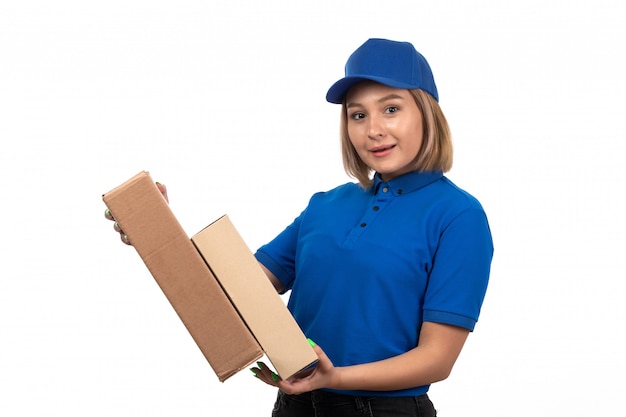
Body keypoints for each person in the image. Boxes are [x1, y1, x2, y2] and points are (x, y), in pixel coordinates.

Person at [105, 38, 493, 417]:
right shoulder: (325, 205)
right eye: (358, 115)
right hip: (295, 405)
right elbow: (238, 291)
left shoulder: (458, 216)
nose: (372, 129)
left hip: (385, 410)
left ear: (427, 113)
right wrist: (157, 233)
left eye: (391, 109)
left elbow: (437, 360)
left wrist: (333, 377)